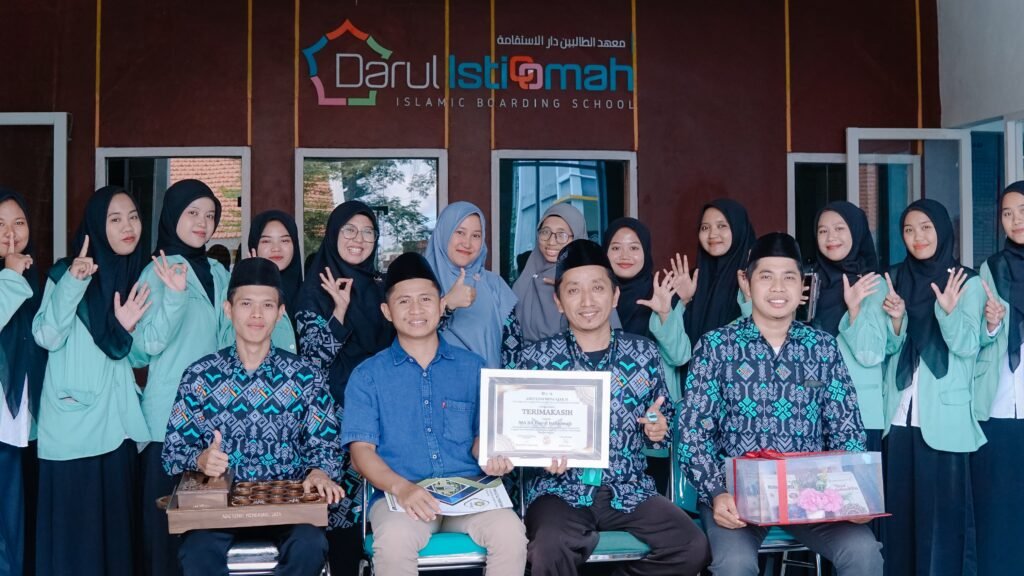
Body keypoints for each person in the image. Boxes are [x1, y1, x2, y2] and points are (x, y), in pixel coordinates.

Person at [678, 232, 883, 576]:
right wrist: (715, 492)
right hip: (737, 497)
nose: (778, 288)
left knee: (864, 553)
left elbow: (846, 427)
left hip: (812, 495)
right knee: (734, 565)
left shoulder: (822, 347)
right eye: (766, 276)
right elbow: (693, 432)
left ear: (802, 286)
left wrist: (856, 494)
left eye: (789, 277)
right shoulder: (717, 346)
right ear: (746, 283)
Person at [517, 239, 709, 576]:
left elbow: (662, 424)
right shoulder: (536, 359)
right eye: (573, 291)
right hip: (559, 491)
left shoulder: (644, 353)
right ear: (558, 301)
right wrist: (538, 454)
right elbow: (517, 434)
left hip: (628, 487)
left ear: (615, 295)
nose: (587, 301)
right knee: (549, 545)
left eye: (597, 288)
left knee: (692, 546)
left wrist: (658, 429)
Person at [343, 252, 528, 576]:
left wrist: (492, 455)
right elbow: (361, 453)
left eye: (426, 299)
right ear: (387, 311)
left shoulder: (473, 367)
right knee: (394, 541)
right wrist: (402, 488)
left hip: (470, 494)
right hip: (402, 498)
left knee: (511, 534)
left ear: (442, 305)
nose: (416, 309)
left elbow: (480, 438)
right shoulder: (368, 376)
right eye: (404, 301)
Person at [162, 257, 344, 576]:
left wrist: (319, 471)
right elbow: (171, 454)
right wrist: (200, 459)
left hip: (289, 502)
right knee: (196, 550)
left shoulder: (306, 376)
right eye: (246, 304)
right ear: (228, 309)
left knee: (310, 545)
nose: (257, 315)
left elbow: (326, 446)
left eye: (267, 305)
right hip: (219, 506)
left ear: (280, 312)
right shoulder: (200, 376)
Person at [32, 186, 155, 575]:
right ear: (96, 226)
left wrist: (125, 329)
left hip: (119, 429)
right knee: (79, 546)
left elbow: (135, 356)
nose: (127, 226)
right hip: (75, 430)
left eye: (133, 217)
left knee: (116, 545)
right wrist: (74, 281)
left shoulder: (134, 276)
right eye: (114, 219)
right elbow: (47, 335)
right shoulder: (65, 273)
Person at [134, 179, 235, 576]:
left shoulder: (218, 271)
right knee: (166, 527)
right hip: (167, 417)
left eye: (209, 215)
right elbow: (143, 347)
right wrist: (174, 299)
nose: (202, 223)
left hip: (215, 418)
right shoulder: (156, 270)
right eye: (192, 213)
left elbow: (228, 339)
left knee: (206, 528)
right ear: (173, 215)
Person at [882, 199, 985, 576]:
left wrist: (948, 312)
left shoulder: (966, 281)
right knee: (897, 525)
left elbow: (968, 346)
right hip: (898, 416)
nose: (918, 237)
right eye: (909, 230)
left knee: (942, 527)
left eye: (926, 227)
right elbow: (884, 349)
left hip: (945, 418)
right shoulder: (894, 278)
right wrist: (897, 321)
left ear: (942, 229)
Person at [294, 201, 394, 575]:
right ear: (333, 234)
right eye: (349, 229)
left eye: (368, 232)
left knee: (383, 515)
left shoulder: (381, 287)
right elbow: (312, 361)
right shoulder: (314, 290)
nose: (359, 239)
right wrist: (339, 311)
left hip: (382, 414)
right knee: (342, 518)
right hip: (334, 421)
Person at [603, 217, 698, 494]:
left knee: (651, 498)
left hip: (654, 421)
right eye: (616, 247)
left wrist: (665, 312)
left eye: (634, 248)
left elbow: (680, 356)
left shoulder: (663, 296)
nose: (625, 255)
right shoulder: (595, 300)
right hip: (607, 423)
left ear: (646, 252)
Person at [811, 201, 894, 452]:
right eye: (823, 230)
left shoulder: (872, 284)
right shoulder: (809, 282)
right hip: (810, 411)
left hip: (859, 412)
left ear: (856, 232)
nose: (831, 237)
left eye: (839, 228)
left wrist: (854, 309)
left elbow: (871, 356)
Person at [973, 181, 1024, 576]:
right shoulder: (991, 268)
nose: (1015, 220)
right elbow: (978, 336)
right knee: (999, 508)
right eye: (1007, 213)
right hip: (999, 402)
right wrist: (991, 325)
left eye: (1022, 211)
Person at [0, 188, 46, 576]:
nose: (11, 233)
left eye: (19, 222)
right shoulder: (16, 277)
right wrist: (10, 276)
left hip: (29, 422)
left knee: (25, 521)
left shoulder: (37, 277)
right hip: (2, 423)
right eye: (0, 224)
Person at [424, 201, 521, 368]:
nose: (467, 243)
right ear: (444, 232)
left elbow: (512, 345)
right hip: (434, 383)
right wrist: (447, 305)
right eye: (460, 232)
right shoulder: (421, 282)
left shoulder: (494, 284)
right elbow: (412, 337)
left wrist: (504, 382)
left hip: (486, 382)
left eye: (476, 235)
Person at [683, 199, 756, 342]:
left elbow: (765, 337)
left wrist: (749, 299)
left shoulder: (757, 278)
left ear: (739, 228)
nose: (712, 234)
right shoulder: (691, 281)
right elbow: (677, 349)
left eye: (722, 226)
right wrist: (681, 302)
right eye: (705, 227)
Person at [512, 203, 587, 343]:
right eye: (545, 232)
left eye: (562, 235)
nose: (551, 242)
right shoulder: (527, 274)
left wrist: (572, 289)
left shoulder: (592, 280)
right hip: (521, 356)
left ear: (576, 238)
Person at [248, 210, 303, 354]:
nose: (276, 248)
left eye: (285, 240)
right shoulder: (236, 295)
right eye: (266, 241)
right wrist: (253, 284)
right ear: (254, 246)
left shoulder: (310, 295)